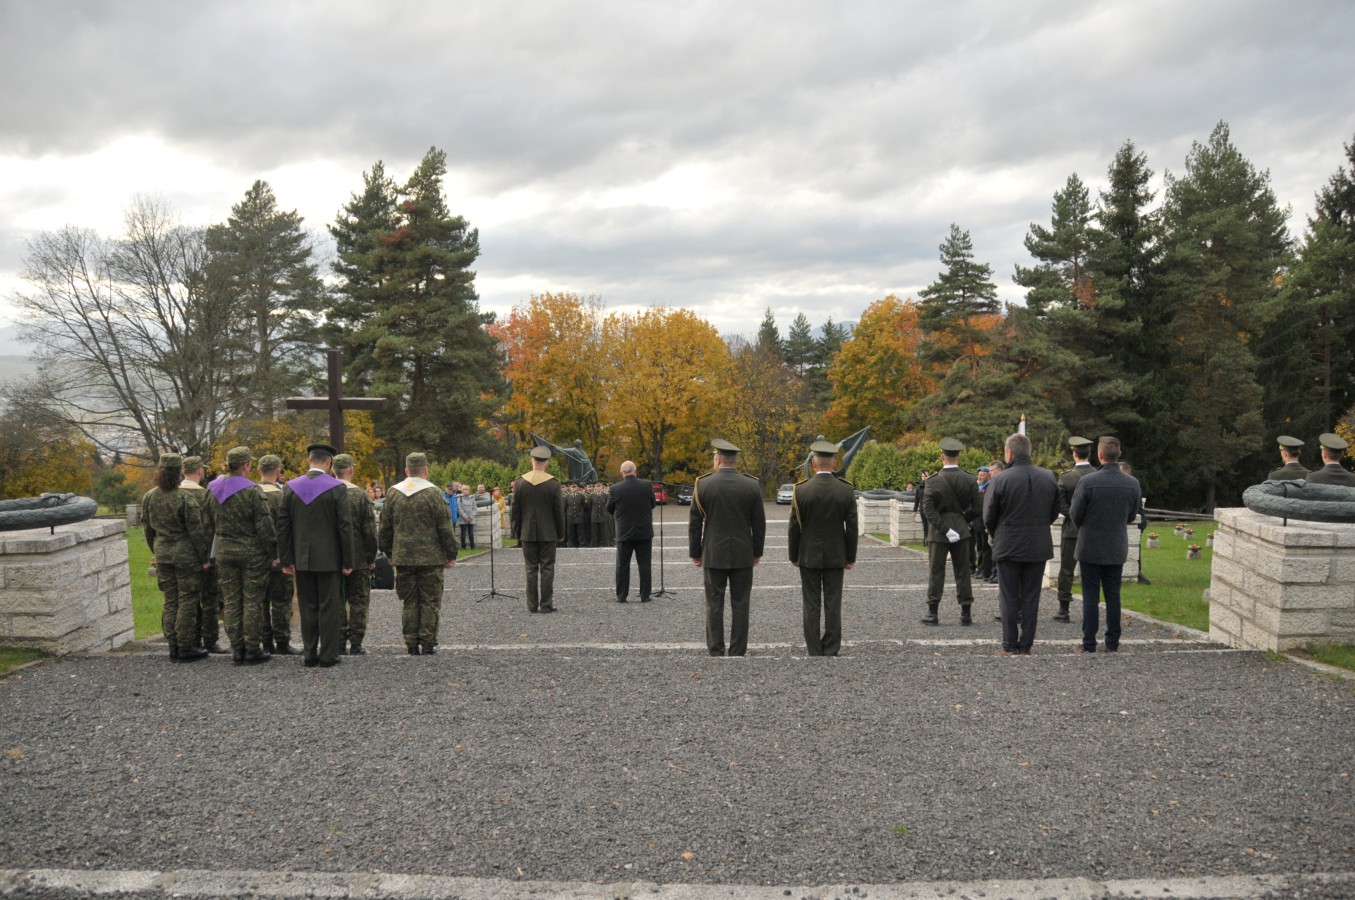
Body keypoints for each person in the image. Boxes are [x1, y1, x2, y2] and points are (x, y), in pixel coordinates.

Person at [276, 443, 355, 668]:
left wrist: (286, 559)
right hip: (330, 558)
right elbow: (345, 526)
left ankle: (309, 654)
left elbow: (283, 526)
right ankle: (328, 655)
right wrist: (348, 560)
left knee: (307, 606)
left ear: (308, 460)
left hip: (302, 558)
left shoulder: (290, 487)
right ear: (329, 462)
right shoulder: (337, 488)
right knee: (329, 606)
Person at [983, 432, 1059, 656]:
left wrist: (997, 533)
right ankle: (1026, 644)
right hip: (1037, 544)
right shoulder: (1049, 477)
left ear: (1009, 453)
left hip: (1008, 544)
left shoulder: (1000, 480)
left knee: (1008, 596)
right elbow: (1054, 512)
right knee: (1031, 596)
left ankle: (1009, 644)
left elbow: (989, 515)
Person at [689, 439, 766, 657]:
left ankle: (715, 649)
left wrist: (695, 553)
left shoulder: (703, 485)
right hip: (743, 553)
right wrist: (757, 552)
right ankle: (738, 650)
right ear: (735, 461)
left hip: (713, 553)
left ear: (718, 460)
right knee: (741, 604)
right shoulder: (751, 485)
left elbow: (695, 524)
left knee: (714, 603)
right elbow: (759, 524)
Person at [202, 446, 278, 665]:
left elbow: (206, 525)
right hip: (252, 552)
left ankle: (237, 648)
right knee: (252, 600)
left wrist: (206, 554)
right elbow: (265, 527)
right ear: (246, 465)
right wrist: (273, 553)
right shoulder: (253, 491)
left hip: (224, 551)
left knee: (231, 600)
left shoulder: (212, 489)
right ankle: (252, 648)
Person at [379, 452, 459, 654]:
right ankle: (428, 642)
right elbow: (445, 528)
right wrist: (451, 553)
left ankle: (411, 643)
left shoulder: (393, 493)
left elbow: (385, 528)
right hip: (430, 558)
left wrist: (389, 552)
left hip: (403, 557)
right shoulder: (434, 494)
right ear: (426, 470)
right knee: (430, 601)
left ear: (407, 470)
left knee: (409, 601)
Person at [1068, 436, 1142, 654]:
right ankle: (1112, 642)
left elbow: (1075, 514)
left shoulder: (1087, 482)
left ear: (1099, 455)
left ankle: (1089, 642)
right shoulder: (1132, 483)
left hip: (1090, 544)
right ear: (1119, 454)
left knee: (1090, 596)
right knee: (1113, 595)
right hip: (1115, 545)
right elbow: (1131, 515)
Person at [787, 440, 858, 656]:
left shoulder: (801, 490)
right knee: (833, 602)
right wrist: (850, 556)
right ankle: (831, 647)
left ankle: (814, 648)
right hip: (836, 554)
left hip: (808, 554)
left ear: (814, 464)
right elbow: (852, 527)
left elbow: (794, 527)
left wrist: (794, 555)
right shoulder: (845, 490)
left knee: (811, 603)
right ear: (834, 463)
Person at [142, 453, 210, 662]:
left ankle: (172, 645)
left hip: (162, 553)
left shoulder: (149, 497)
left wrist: (156, 550)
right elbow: (196, 532)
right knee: (187, 600)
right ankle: (185, 646)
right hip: (185, 555)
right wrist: (204, 558)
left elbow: (147, 529)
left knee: (170, 601)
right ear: (180, 471)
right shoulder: (185, 498)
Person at [919, 438, 983, 626]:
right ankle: (966, 613)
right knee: (963, 571)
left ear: (942, 457)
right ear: (959, 456)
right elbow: (978, 508)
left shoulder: (932, 481)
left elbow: (929, 511)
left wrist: (945, 529)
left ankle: (932, 613)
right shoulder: (970, 479)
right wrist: (962, 521)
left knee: (936, 571)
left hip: (938, 532)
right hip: (961, 530)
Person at [511, 445, 566, 613]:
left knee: (530, 569)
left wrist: (516, 531)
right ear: (546, 463)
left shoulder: (520, 482)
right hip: (549, 533)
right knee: (547, 568)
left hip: (527, 532)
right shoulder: (553, 483)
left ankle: (532, 605)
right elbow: (559, 511)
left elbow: (515, 510)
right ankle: (546, 605)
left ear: (531, 461)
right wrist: (561, 533)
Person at [181, 456, 226, 655]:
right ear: (200, 471)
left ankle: (190, 639)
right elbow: (212, 525)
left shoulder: (172, 494)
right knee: (210, 599)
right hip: (206, 553)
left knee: (186, 599)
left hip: (180, 555)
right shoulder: (206, 495)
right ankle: (210, 640)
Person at [334, 453, 379, 655]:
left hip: (332, 557)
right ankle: (356, 643)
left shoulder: (327, 493)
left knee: (336, 600)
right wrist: (371, 556)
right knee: (359, 601)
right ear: (351, 470)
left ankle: (338, 641)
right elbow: (369, 531)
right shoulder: (360, 496)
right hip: (358, 557)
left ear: (333, 471)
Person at [256, 454, 297, 655]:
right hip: (281, 555)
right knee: (281, 600)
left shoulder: (252, 494)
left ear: (258, 470)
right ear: (278, 471)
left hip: (257, 556)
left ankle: (265, 642)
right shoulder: (284, 495)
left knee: (261, 600)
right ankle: (282, 641)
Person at [1054, 436, 1095, 623]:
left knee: (1066, 570)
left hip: (1072, 529)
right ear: (1090, 453)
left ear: (1074, 454)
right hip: (1093, 530)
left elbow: (1061, 506)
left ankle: (1064, 609)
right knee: (1092, 570)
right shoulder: (1097, 474)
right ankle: (1091, 608)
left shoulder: (1066, 478)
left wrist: (1074, 515)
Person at [607, 461, 656, 603]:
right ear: (635, 471)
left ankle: (622, 596)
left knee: (622, 565)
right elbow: (652, 504)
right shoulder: (647, 485)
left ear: (621, 472)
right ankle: (645, 595)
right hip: (643, 531)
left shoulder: (615, 488)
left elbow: (609, 508)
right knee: (644, 565)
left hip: (624, 532)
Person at [971, 467, 993, 580]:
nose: (979, 477)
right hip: (977, 523)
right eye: (979, 475)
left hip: (984, 523)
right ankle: (980, 568)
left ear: (988, 476)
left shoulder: (989, 487)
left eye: (982, 475)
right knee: (979, 548)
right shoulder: (979, 488)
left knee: (986, 548)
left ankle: (986, 571)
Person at [589, 483, 610, 547]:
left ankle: (605, 545)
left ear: (602, 487)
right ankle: (595, 545)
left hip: (603, 516)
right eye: (596, 486)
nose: (598, 488)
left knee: (604, 533)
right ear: (594, 487)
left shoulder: (606, 495)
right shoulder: (591, 496)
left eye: (599, 486)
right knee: (594, 533)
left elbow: (607, 506)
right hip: (594, 516)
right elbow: (590, 507)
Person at [458, 485, 478, 549]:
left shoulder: (472, 498)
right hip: (463, 519)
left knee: (471, 533)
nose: (466, 491)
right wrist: (466, 517)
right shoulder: (459, 499)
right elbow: (459, 509)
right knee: (463, 534)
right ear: (462, 491)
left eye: (467, 490)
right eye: (464, 490)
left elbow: (475, 508)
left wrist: (471, 517)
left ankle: (472, 546)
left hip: (471, 519)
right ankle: (463, 546)